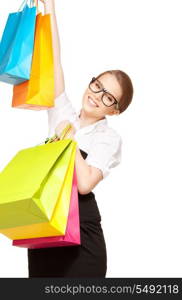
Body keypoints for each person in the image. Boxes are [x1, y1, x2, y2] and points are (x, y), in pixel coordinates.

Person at [28, 0, 134, 277]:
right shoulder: (62, 111)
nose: (96, 95)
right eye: (97, 85)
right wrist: (49, 6)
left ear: (115, 109)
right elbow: (54, 58)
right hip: (45, 223)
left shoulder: (108, 137)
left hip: (81, 236)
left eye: (107, 96)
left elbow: (85, 184)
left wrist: (69, 140)